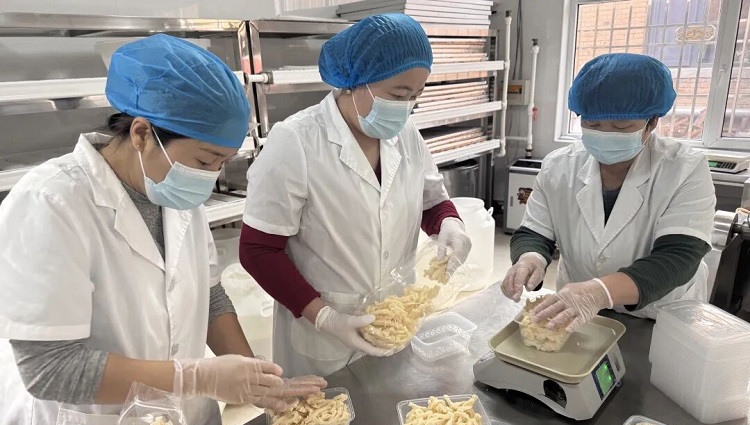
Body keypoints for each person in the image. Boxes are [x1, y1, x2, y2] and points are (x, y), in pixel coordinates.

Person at [0, 34, 325, 425]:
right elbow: (50, 369)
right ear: (141, 133)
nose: (211, 177)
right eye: (205, 161)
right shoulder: (51, 203)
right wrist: (195, 378)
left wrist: (254, 378)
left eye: (223, 163)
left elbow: (208, 296)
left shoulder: (172, 190)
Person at [240, 14, 472, 377]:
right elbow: (258, 250)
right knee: (325, 410)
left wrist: (449, 224)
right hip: (322, 337)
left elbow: (430, 201)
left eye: (415, 96)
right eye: (398, 95)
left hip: (394, 322)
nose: (406, 107)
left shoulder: (406, 135)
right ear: (353, 82)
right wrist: (324, 316)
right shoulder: (297, 141)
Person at [501, 53, 715, 331]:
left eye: (621, 126)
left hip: (658, 315)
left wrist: (600, 292)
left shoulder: (684, 169)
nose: (605, 133)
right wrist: (530, 258)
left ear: (652, 122)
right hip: (578, 312)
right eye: (592, 124)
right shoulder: (558, 166)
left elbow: (678, 257)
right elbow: (535, 230)